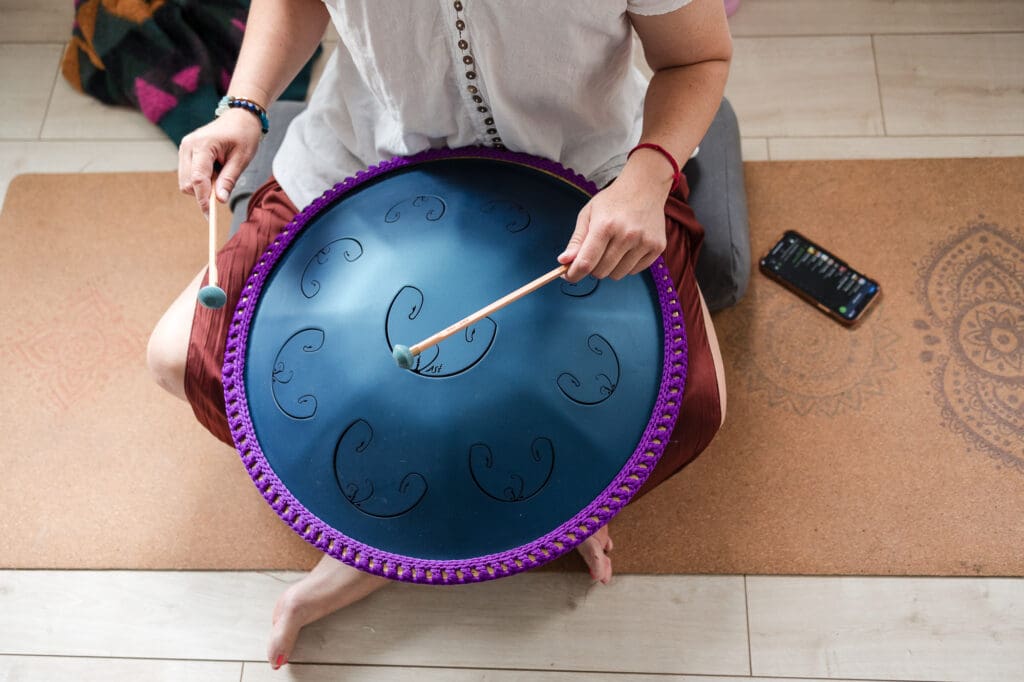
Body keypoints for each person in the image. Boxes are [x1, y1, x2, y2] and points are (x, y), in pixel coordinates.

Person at [148, 0, 732, 670]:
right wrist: (244, 107)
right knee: (179, 360)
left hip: (588, 179)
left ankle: (554, 497)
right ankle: (382, 543)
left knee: (691, 408)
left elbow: (697, 55)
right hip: (363, 162)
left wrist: (650, 174)